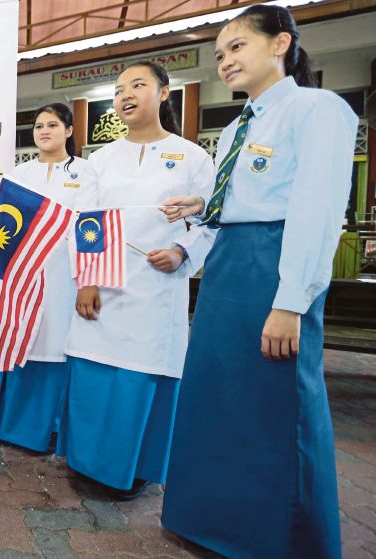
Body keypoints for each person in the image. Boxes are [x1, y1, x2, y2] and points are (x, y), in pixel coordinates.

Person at [160, 6, 357, 557]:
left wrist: (291, 301)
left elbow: (316, 210)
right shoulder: (239, 126)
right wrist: (204, 204)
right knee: (221, 398)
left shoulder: (315, 109)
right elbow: (252, 197)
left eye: (238, 46)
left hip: (275, 266)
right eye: (219, 54)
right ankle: (216, 524)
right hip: (229, 265)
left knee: (279, 404)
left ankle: (286, 540)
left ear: (280, 44)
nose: (225, 61)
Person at [56, 61, 215, 500]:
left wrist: (183, 253)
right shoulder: (100, 159)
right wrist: (86, 279)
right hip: (103, 287)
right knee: (94, 371)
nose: (125, 95)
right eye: (119, 89)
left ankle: (132, 469)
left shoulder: (194, 157)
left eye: (138, 85)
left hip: (156, 288)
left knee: (140, 376)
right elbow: (83, 223)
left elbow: (212, 221)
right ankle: (85, 462)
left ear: (164, 93)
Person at [0, 103, 91, 452]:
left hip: (63, 273)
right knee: (19, 336)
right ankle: (7, 423)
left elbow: (87, 222)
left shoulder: (86, 172)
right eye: (39, 125)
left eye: (53, 125)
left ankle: (47, 430)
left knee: (54, 341)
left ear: (69, 131)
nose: (44, 131)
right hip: (21, 272)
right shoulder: (19, 174)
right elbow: (3, 223)